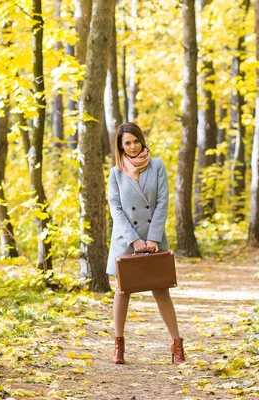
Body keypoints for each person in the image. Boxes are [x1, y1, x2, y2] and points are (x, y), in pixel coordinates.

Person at [106, 122, 186, 366]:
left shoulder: (157, 165)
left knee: (161, 290)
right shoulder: (115, 173)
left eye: (135, 141)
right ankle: (119, 346)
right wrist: (135, 240)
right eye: (127, 143)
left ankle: (177, 345)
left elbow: (162, 202)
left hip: (154, 237)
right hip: (126, 238)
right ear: (121, 147)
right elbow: (116, 209)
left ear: (142, 140)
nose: (132, 147)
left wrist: (152, 238)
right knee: (123, 290)